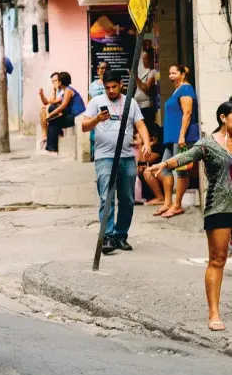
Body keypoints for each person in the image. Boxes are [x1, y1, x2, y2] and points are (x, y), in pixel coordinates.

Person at [147, 102, 232, 332]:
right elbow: (186, 157)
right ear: (223, 117)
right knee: (217, 260)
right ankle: (213, 312)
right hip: (220, 208)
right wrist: (163, 164)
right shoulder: (208, 144)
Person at [82, 69, 151, 255]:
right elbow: (83, 126)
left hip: (127, 156)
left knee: (127, 199)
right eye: (107, 88)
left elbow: (140, 125)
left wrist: (145, 142)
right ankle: (108, 236)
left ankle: (121, 235)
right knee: (106, 197)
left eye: (114, 87)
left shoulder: (131, 102)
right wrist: (97, 119)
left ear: (121, 84)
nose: (111, 91)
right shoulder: (96, 102)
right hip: (105, 157)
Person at [152, 64, 200, 219]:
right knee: (165, 168)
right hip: (171, 137)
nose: (170, 76)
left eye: (174, 73)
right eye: (169, 73)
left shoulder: (186, 89)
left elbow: (187, 113)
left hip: (181, 137)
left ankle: (177, 205)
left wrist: (182, 136)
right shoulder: (177, 89)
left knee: (181, 170)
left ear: (183, 74)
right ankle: (167, 203)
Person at [44, 72, 86, 155]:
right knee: (53, 111)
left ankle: (52, 148)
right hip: (72, 116)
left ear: (60, 82)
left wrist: (51, 115)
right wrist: (54, 90)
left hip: (77, 117)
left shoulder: (68, 90)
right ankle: (52, 147)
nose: (55, 83)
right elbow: (52, 102)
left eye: (57, 81)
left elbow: (63, 106)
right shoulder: (66, 91)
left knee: (53, 121)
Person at [38, 72, 63, 150]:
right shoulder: (57, 90)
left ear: (60, 80)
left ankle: (56, 133)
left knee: (46, 109)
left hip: (63, 113)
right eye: (52, 82)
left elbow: (54, 102)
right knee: (42, 110)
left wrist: (55, 91)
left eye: (55, 80)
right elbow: (47, 102)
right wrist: (41, 94)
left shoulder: (64, 89)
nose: (54, 83)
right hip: (56, 111)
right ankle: (44, 136)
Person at [135, 48, 157, 129]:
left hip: (146, 107)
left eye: (145, 59)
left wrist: (136, 78)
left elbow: (147, 88)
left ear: (151, 59)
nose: (143, 61)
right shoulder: (146, 71)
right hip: (139, 106)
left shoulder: (153, 72)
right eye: (142, 59)